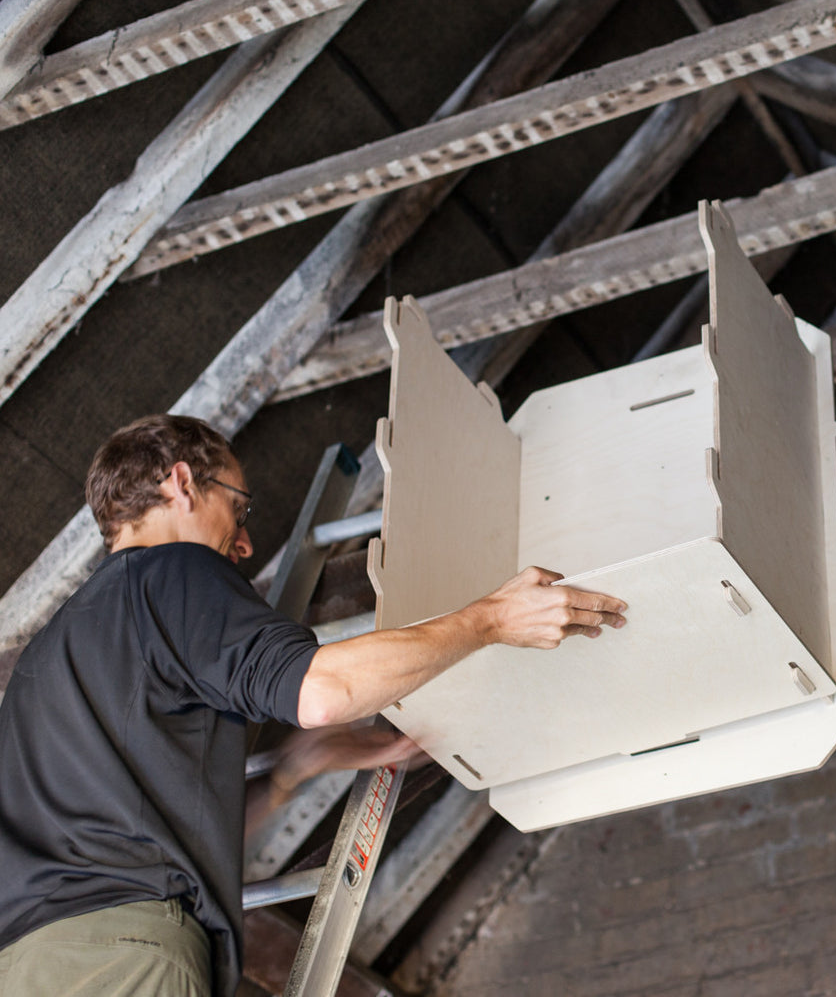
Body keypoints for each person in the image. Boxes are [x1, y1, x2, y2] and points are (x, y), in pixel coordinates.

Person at [0, 414, 627, 997]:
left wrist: (286, 777)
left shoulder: (46, 661)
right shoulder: (170, 574)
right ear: (182, 483)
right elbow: (323, 693)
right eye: (238, 508)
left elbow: (130, 842)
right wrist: (491, 619)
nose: (243, 544)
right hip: (119, 960)